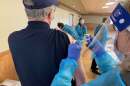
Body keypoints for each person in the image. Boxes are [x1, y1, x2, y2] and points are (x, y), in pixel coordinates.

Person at [51, 1, 130, 85]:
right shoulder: (124, 73)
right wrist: (101, 54)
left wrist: (69, 65)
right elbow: (115, 73)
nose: (116, 34)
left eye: (117, 28)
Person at [8, 0, 75, 86]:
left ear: (27, 13)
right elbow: (72, 72)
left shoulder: (13, 38)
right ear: (50, 14)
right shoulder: (62, 38)